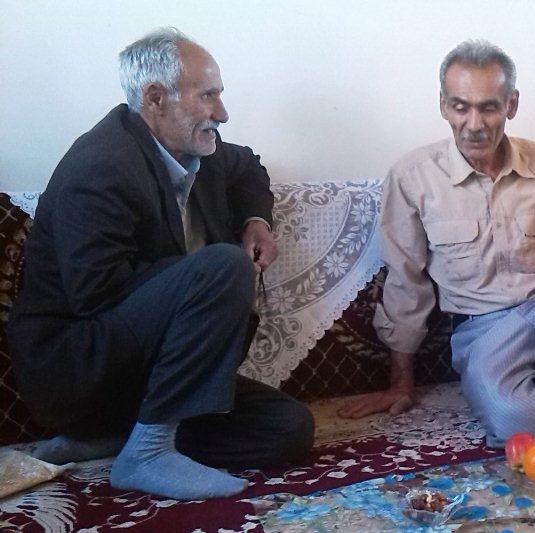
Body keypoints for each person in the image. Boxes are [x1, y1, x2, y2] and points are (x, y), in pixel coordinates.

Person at [7, 28, 314, 500]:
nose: (223, 113)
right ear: (155, 98)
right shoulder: (100, 167)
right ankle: (147, 452)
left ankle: (118, 438)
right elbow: (95, 292)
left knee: (288, 429)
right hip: (82, 369)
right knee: (224, 266)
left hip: (151, 377)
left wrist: (255, 220)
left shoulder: (197, 147)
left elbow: (248, 166)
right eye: (208, 95)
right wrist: (203, 280)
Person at [340, 40, 535, 446]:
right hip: (487, 328)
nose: (474, 124)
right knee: (518, 421)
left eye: (488, 107)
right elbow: (406, 282)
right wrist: (401, 382)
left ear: (511, 105)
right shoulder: (413, 176)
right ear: (443, 105)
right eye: (460, 107)